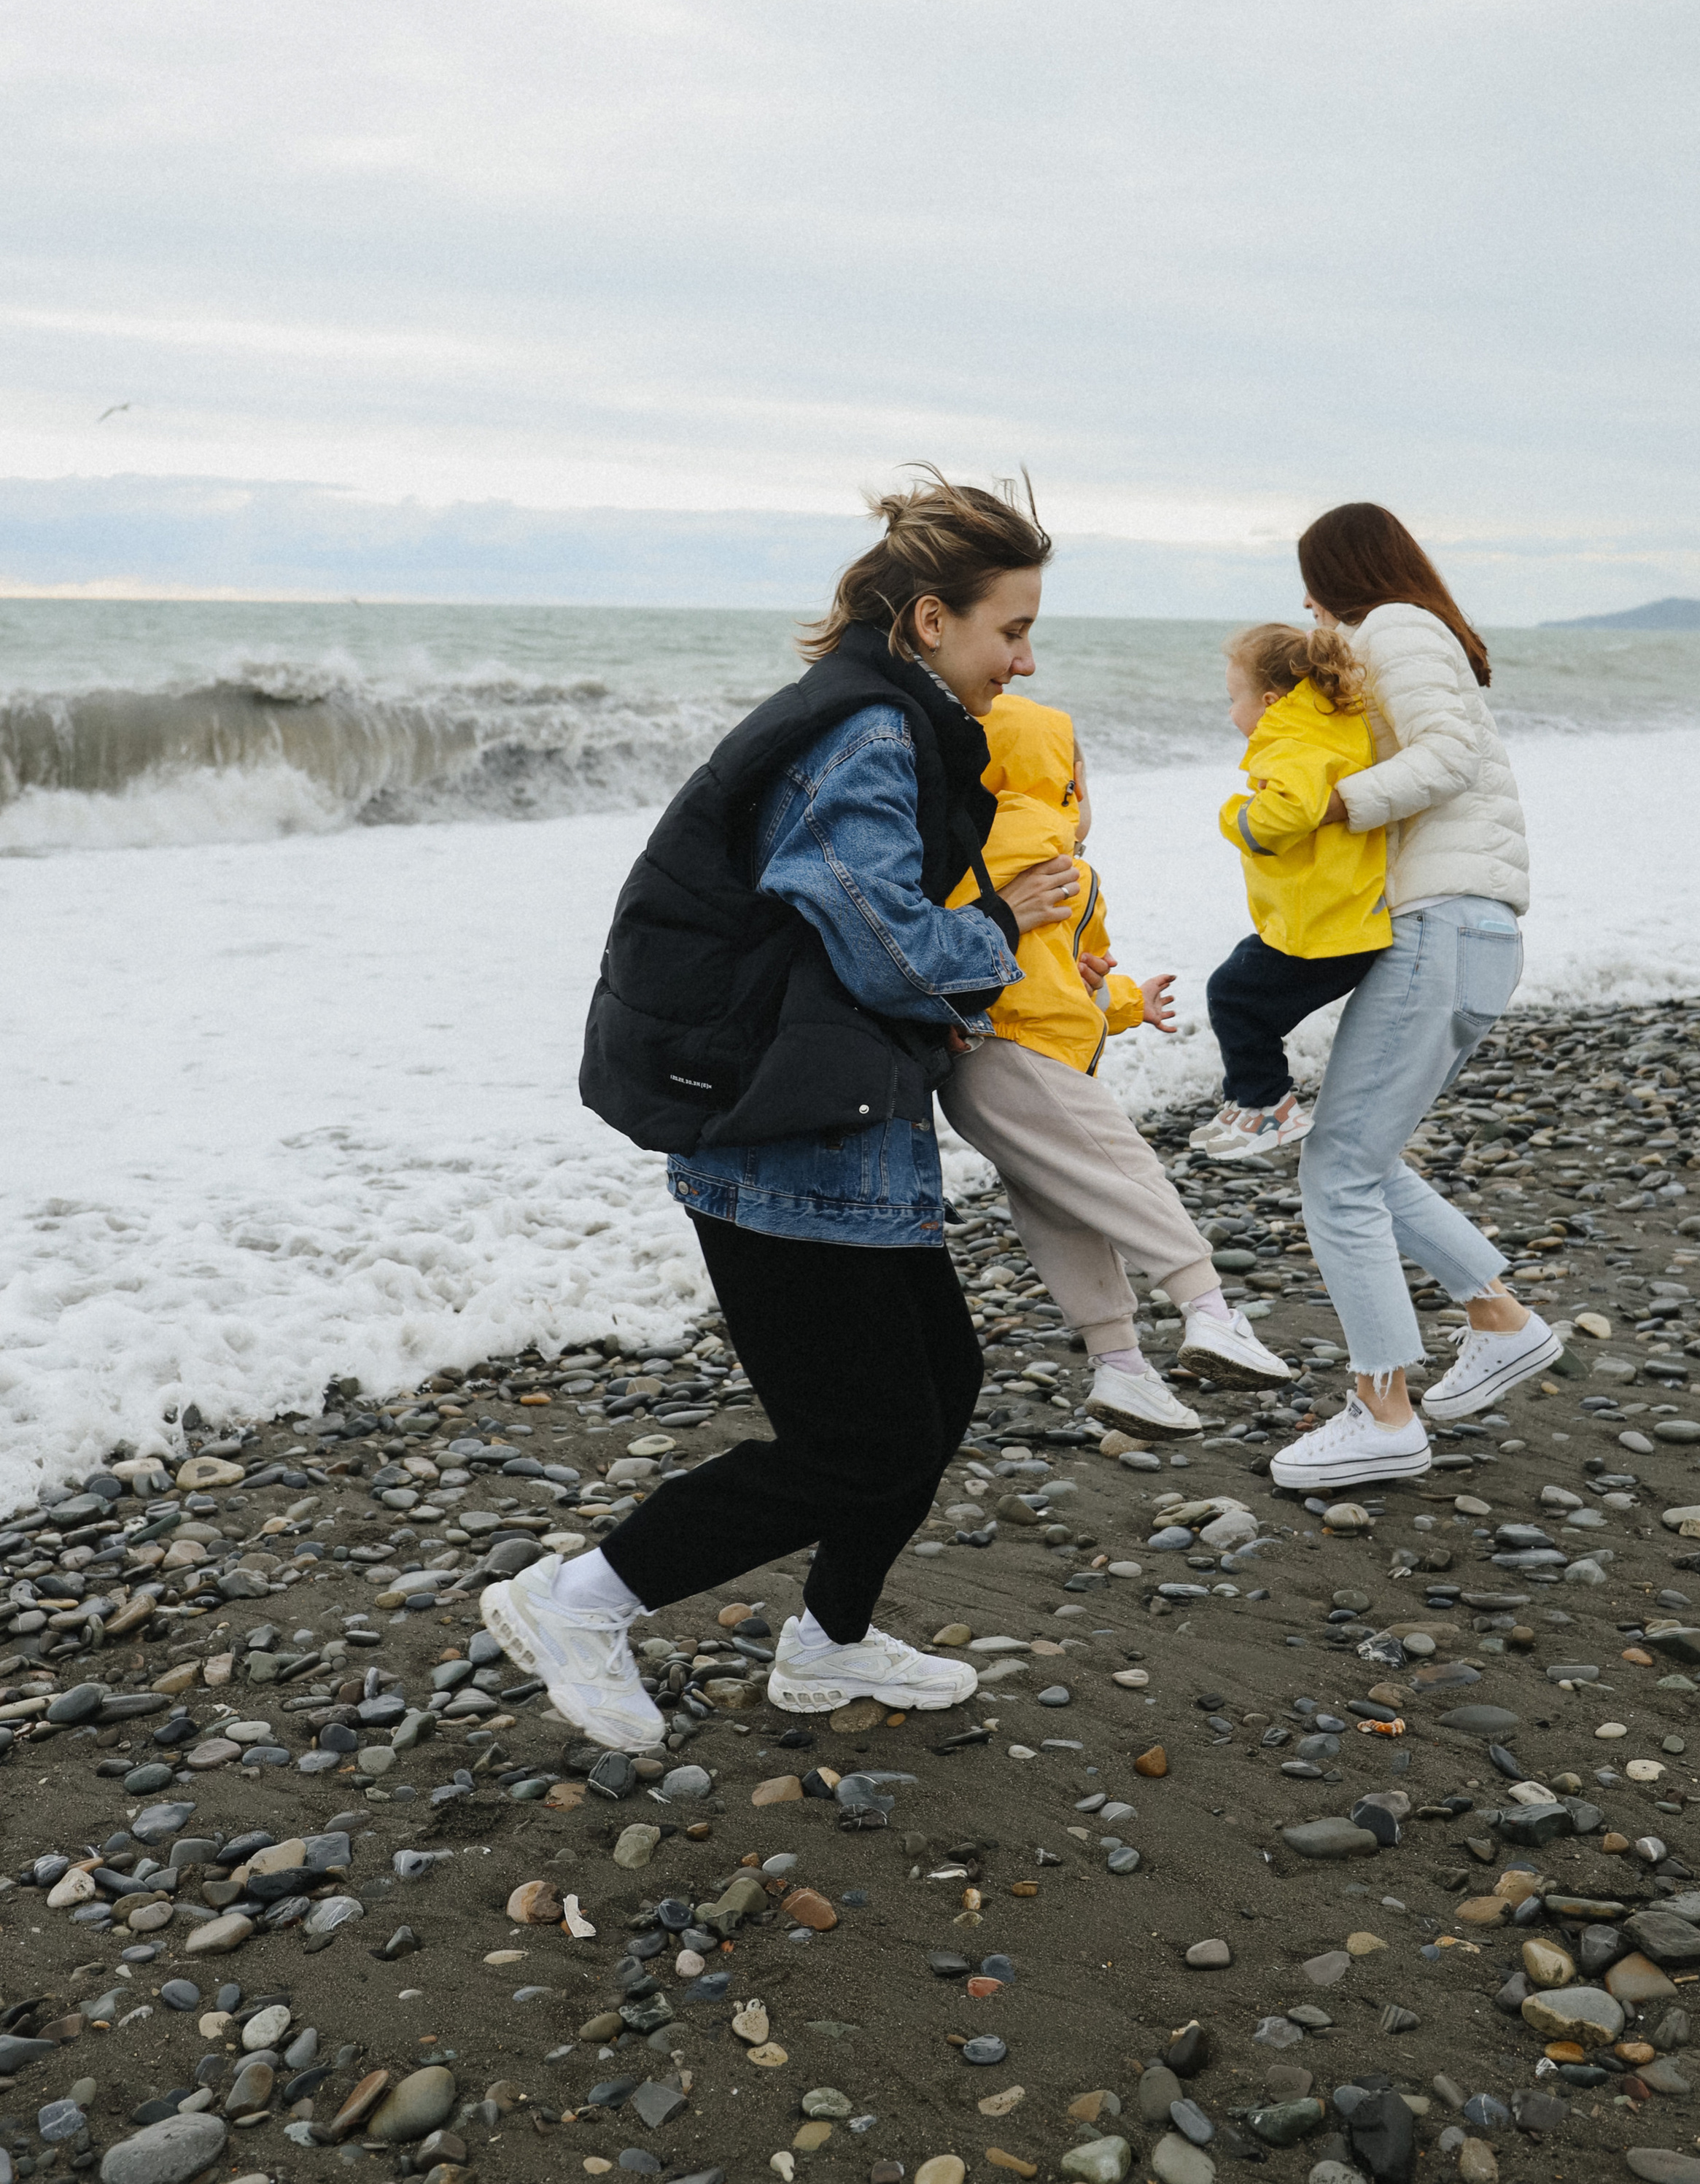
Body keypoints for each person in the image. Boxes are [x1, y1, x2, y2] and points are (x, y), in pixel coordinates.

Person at [484, 477, 1083, 1747]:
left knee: (941, 1383)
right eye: (1010, 629)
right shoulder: (863, 732)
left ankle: (832, 1642)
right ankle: (577, 1601)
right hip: (781, 1144)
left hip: (841, 1130)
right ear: (930, 618)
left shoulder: (890, 716)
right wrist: (1003, 928)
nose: (1024, 659)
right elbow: (880, 946)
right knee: (857, 1443)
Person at [1265, 502, 1559, 1496]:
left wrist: (1332, 805)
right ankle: (1499, 1318)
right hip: (1468, 931)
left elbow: (1447, 759)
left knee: (1337, 1171)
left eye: (1309, 579)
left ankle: (1383, 1411)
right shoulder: (1414, 630)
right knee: (1360, 1155)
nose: (1305, 602)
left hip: (1444, 926)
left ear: (1340, 572)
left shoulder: (1395, 627)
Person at [938, 693, 1292, 1440]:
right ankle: (1209, 1310)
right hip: (1015, 1047)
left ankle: (1121, 1367)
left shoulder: (971, 833)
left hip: (989, 1051)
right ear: (1061, 781)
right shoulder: (1032, 831)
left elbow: (1067, 973)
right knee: (1124, 1171)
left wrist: (1124, 1000)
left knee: (1064, 1207)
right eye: (1080, 783)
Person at [1194, 620, 1392, 1162]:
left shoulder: (1293, 741)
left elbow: (1288, 813)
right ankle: (1247, 1102)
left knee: (1233, 995)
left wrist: (1236, 816)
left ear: (1269, 699)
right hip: (1328, 917)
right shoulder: (1323, 729)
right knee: (1239, 981)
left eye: (1233, 698)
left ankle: (1271, 1107)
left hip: (1328, 927)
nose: (1230, 712)